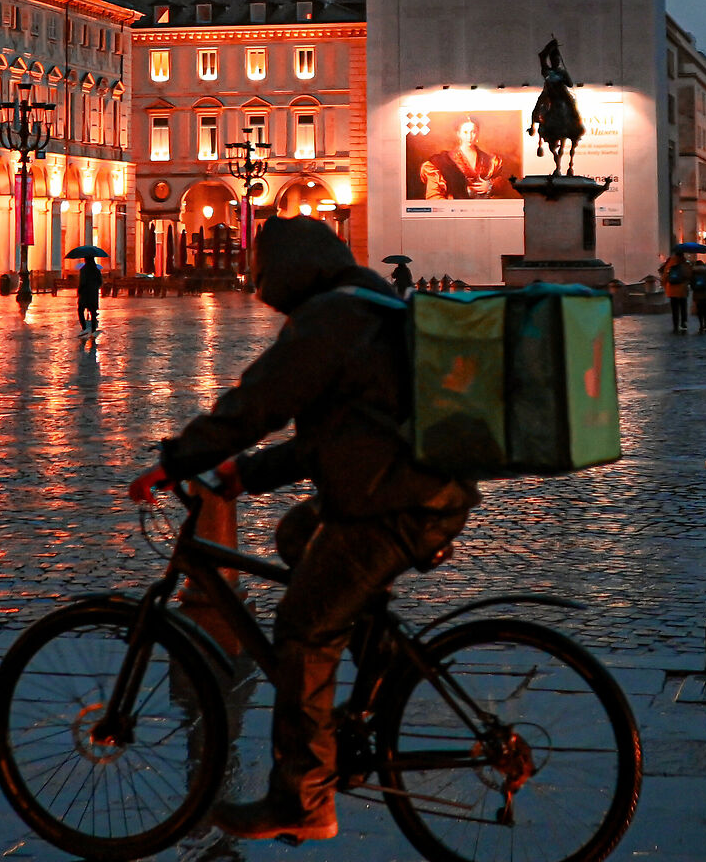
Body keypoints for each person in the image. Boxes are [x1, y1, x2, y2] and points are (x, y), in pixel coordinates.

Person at [128, 217, 475, 843]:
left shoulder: (331, 317)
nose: (265, 294)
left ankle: (303, 799)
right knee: (296, 536)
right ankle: (380, 663)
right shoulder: (367, 298)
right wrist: (245, 475)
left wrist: (178, 459)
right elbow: (336, 436)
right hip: (405, 488)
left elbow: (259, 401)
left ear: (290, 270)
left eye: (266, 278)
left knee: (303, 629)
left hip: (395, 504)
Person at [418, 117, 511, 200]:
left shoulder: (491, 160)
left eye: (473, 132)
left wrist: (490, 186)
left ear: (477, 133)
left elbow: (505, 185)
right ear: (459, 134)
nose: (469, 137)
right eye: (465, 132)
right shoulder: (442, 161)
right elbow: (434, 195)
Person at [662, 252, 690, 334]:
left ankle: (675, 325)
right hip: (682, 290)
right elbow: (689, 275)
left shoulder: (670, 263)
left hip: (672, 290)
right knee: (683, 307)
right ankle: (683, 323)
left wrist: (664, 285)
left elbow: (665, 276)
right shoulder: (685, 264)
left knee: (674, 309)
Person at [77, 255, 103, 335]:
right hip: (93, 293)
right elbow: (100, 282)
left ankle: (84, 327)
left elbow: (82, 282)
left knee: (80, 310)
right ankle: (93, 329)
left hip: (85, 293)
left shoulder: (84, 270)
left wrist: (79, 290)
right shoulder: (96, 270)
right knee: (93, 312)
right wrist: (95, 287)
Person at [689, 261, 706, 332]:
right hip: (705, 293)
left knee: (699, 309)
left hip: (697, 294)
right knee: (705, 308)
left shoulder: (693, 272)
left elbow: (691, 283)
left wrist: (695, 288)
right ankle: (705, 323)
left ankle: (701, 324)